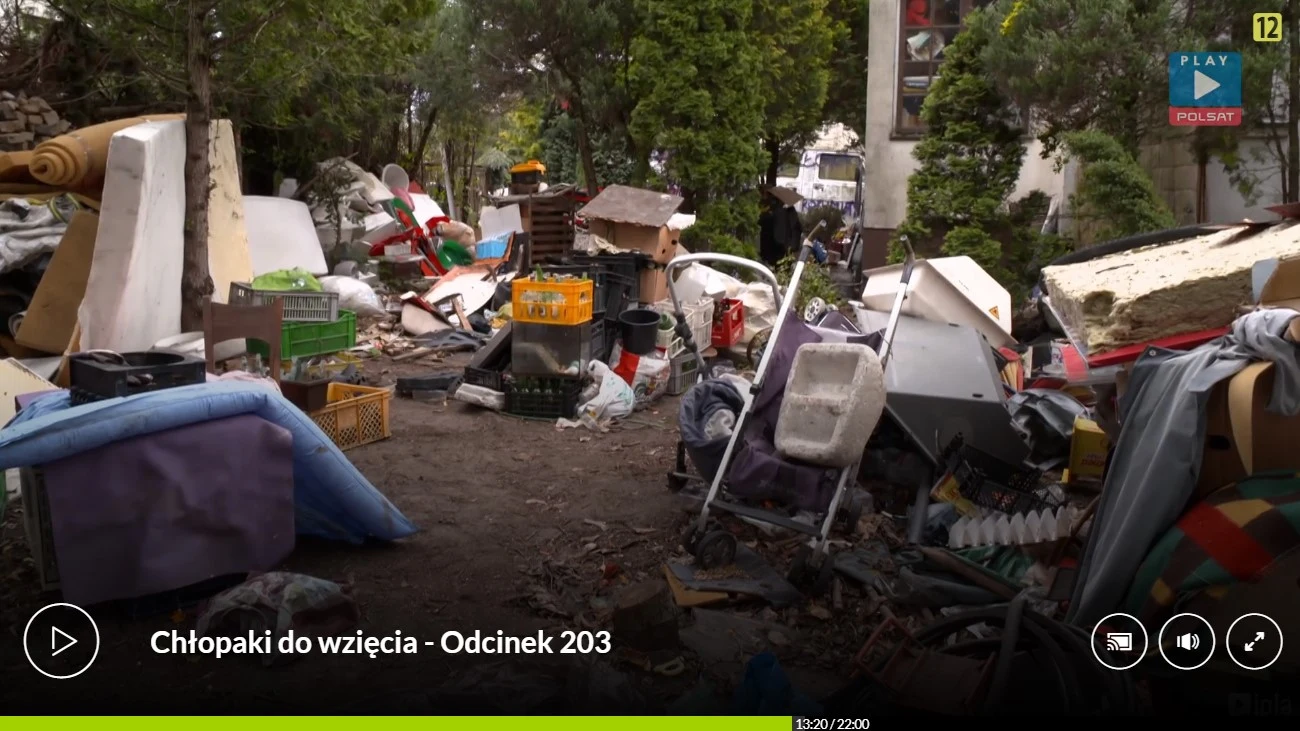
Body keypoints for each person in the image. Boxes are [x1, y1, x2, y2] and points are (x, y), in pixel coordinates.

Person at [759, 188, 803, 266]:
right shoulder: (791, 211)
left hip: (776, 250)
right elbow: (797, 228)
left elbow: (774, 234)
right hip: (788, 249)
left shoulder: (776, 212)